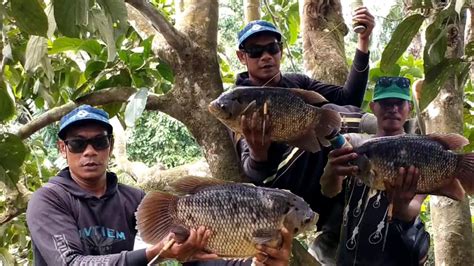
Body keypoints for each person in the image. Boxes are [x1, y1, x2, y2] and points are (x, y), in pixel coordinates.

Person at [233, 7, 375, 265]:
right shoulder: (239, 101)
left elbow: (349, 98)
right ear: (242, 57)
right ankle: (388, 136)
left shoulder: (295, 83)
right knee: (328, 115)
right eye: (255, 51)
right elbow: (253, 175)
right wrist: (258, 152)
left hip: (327, 189)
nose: (266, 56)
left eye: (272, 48)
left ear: (281, 51)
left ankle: (331, 232)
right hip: (284, 198)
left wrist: (363, 43)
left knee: (331, 113)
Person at [26, 105, 219, 265]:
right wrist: (151, 253)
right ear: (63, 148)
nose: (90, 152)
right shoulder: (48, 200)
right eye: (78, 144)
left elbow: (168, 243)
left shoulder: (134, 199)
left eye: (99, 142)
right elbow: (71, 263)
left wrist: (182, 248)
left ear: (110, 145)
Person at [320, 77, 430, 265]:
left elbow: (413, 208)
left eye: (399, 103)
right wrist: (331, 172)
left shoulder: (417, 152)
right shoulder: (357, 148)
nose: (392, 109)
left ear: (409, 108)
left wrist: (401, 206)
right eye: (386, 103)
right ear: (372, 107)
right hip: (348, 257)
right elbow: (329, 191)